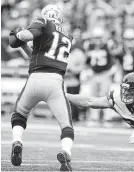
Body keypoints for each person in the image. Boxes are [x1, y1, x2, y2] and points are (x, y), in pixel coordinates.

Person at [9, 5, 74, 171]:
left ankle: (17, 140)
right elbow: (38, 53)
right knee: (66, 125)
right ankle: (66, 152)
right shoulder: (68, 35)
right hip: (56, 83)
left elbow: (26, 35)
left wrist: (17, 34)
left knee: (20, 113)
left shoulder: (43, 21)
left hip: (35, 79)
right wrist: (23, 44)